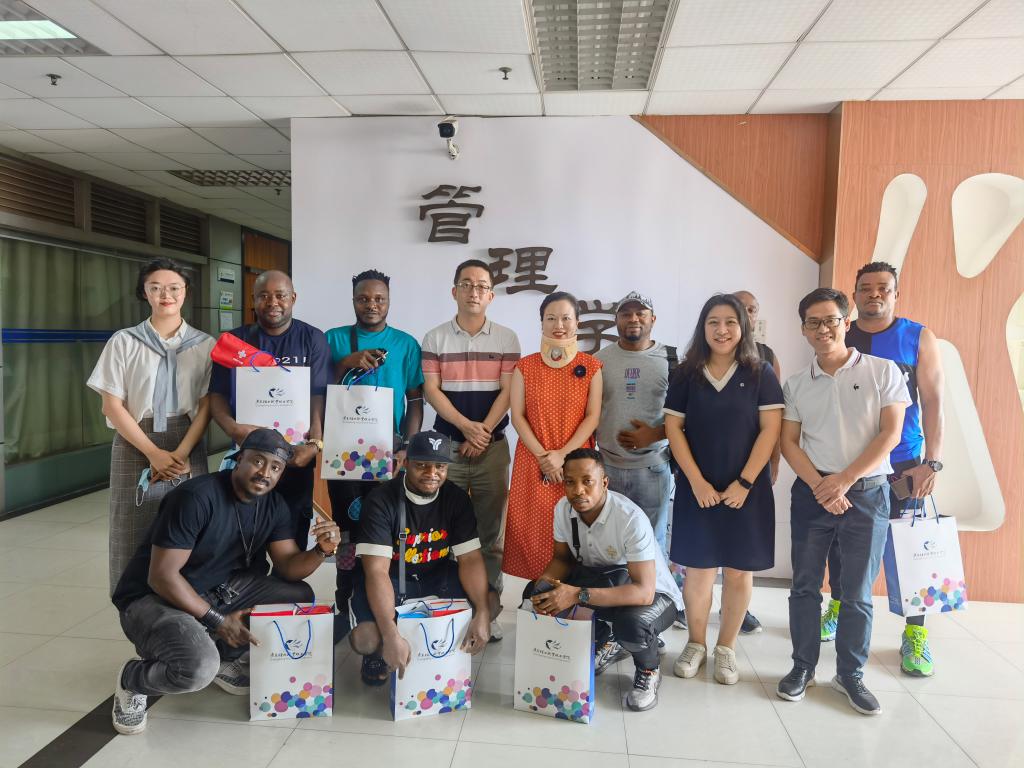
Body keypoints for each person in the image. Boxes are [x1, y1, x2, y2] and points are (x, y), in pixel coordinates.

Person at [110, 429, 341, 735]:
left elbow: (288, 567)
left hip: (217, 590)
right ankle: (132, 679)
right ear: (238, 459)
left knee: (296, 595)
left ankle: (223, 656)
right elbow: (162, 577)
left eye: (275, 467)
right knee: (197, 668)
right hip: (154, 599)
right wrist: (217, 620)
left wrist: (322, 550)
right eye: (257, 461)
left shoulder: (274, 505)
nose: (265, 473)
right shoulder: (196, 498)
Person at [777, 287, 909, 716]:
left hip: (867, 494)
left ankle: (850, 674)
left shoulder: (883, 371)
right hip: (812, 495)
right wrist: (822, 486)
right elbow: (789, 443)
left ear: (846, 323)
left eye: (831, 320)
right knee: (804, 587)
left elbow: (891, 433)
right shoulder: (797, 383)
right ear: (803, 329)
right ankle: (802, 667)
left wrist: (844, 481)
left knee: (856, 593)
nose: (823, 329)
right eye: (813, 322)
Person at [822, 262, 945, 677]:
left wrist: (932, 462)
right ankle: (837, 606)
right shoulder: (841, 333)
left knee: (911, 552)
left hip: (905, 465)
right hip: (850, 463)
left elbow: (934, 401)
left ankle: (916, 634)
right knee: (843, 544)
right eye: (866, 288)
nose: (874, 294)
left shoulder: (917, 336)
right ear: (854, 295)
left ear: (895, 294)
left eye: (883, 288)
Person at [663, 294, 784, 686]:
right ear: (703, 327)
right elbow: (673, 429)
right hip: (697, 488)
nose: (722, 330)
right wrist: (696, 481)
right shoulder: (686, 373)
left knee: (738, 571)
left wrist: (745, 482)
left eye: (730, 322)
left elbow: (770, 430)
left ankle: (726, 648)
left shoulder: (760, 372)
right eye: (713, 322)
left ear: (743, 327)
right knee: (697, 572)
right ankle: (696, 643)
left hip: (746, 491)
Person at [87, 258, 215, 594]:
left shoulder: (205, 345)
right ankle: (132, 606)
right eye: (155, 288)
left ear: (186, 292)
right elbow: (111, 405)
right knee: (131, 527)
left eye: (173, 288)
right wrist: (153, 453)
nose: (165, 295)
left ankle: (186, 607)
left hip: (186, 440)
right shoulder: (124, 341)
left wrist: (181, 453)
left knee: (189, 527)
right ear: (144, 293)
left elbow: (207, 406)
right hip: (134, 440)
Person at [530, 449, 682, 712]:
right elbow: (562, 560)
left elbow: (644, 592)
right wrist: (542, 590)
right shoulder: (563, 509)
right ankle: (609, 639)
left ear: (604, 482)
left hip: (655, 596)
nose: (578, 490)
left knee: (631, 625)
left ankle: (648, 668)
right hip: (609, 581)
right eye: (570, 482)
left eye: (587, 481)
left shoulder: (629, 518)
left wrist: (575, 594)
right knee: (539, 592)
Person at [348, 431, 498, 685]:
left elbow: (470, 559)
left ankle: (442, 650)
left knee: (490, 603)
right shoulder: (381, 500)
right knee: (366, 638)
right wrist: (390, 634)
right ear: (406, 463)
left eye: (440, 466)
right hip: (392, 578)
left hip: (436, 575)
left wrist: (482, 612)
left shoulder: (456, 498)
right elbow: (376, 572)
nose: (432, 473)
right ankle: (380, 651)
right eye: (422, 465)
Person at [421, 259, 520, 639]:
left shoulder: (506, 338)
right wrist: (466, 428)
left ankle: (486, 612)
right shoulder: (435, 338)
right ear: (454, 291)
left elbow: (508, 391)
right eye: (466, 284)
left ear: (491, 295)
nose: (473, 291)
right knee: (441, 531)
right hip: (446, 449)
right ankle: (444, 609)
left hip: (491, 450)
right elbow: (432, 390)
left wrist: (483, 433)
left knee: (489, 537)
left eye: (481, 286)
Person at [324, 269, 424, 637]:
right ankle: (346, 607)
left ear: (389, 301)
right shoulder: (333, 339)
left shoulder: (406, 344)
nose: (371, 305)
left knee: (388, 531)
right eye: (364, 298)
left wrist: (407, 448)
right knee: (348, 532)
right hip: (343, 453)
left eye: (379, 298)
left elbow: (415, 400)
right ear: (353, 300)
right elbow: (318, 391)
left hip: (389, 452)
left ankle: (386, 611)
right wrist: (345, 363)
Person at [209, 270, 331, 551]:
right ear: (253, 300)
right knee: (241, 532)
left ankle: (285, 575)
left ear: (293, 298)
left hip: (295, 455)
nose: (272, 302)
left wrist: (314, 444)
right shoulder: (235, 341)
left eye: (280, 295)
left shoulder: (312, 338)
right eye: (263, 296)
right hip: (248, 454)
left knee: (292, 528)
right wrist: (232, 428)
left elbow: (318, 395)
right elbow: (217, 395)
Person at [505, 291, 603, 582]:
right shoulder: (525, 366)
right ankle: (536, 594)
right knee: (534, 529)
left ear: (577, 322)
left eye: (565, 318)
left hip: (577, 462)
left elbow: (592, 417)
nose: (558, 325)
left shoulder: (592, 367)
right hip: (533, 459)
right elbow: (517, 416)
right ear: (541, 323)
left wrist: (562, 456)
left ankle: (573, 595)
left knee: (576, 526)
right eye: (551, 318)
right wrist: (544, 458)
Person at [594, 291, 674, 554]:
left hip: (653, 469)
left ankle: (653, 584)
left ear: (653, 319)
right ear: (616, 320)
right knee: (610, 545)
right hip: (607, 468)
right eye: (626, 314)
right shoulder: (599, 360)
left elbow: (690, 415)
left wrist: (656, 434)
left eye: (640, 313)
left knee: (652, 545)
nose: (633, 319)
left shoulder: (672, 360)